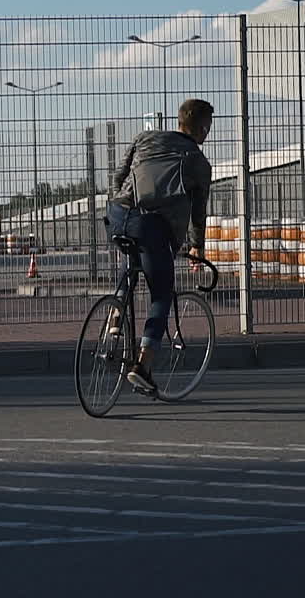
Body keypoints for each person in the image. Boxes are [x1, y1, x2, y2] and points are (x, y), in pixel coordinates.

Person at [106, 98, 214, 394]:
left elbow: (118, 175)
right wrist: (196, 247)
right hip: (150, 226)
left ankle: (115, 317)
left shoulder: (144, 138)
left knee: (132, 262)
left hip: (117, 215)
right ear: (204, 128)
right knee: (162, 294)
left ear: (180, 121)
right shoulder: (199, 162)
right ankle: (142, 366)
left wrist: (120, 201)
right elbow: (198, 212)